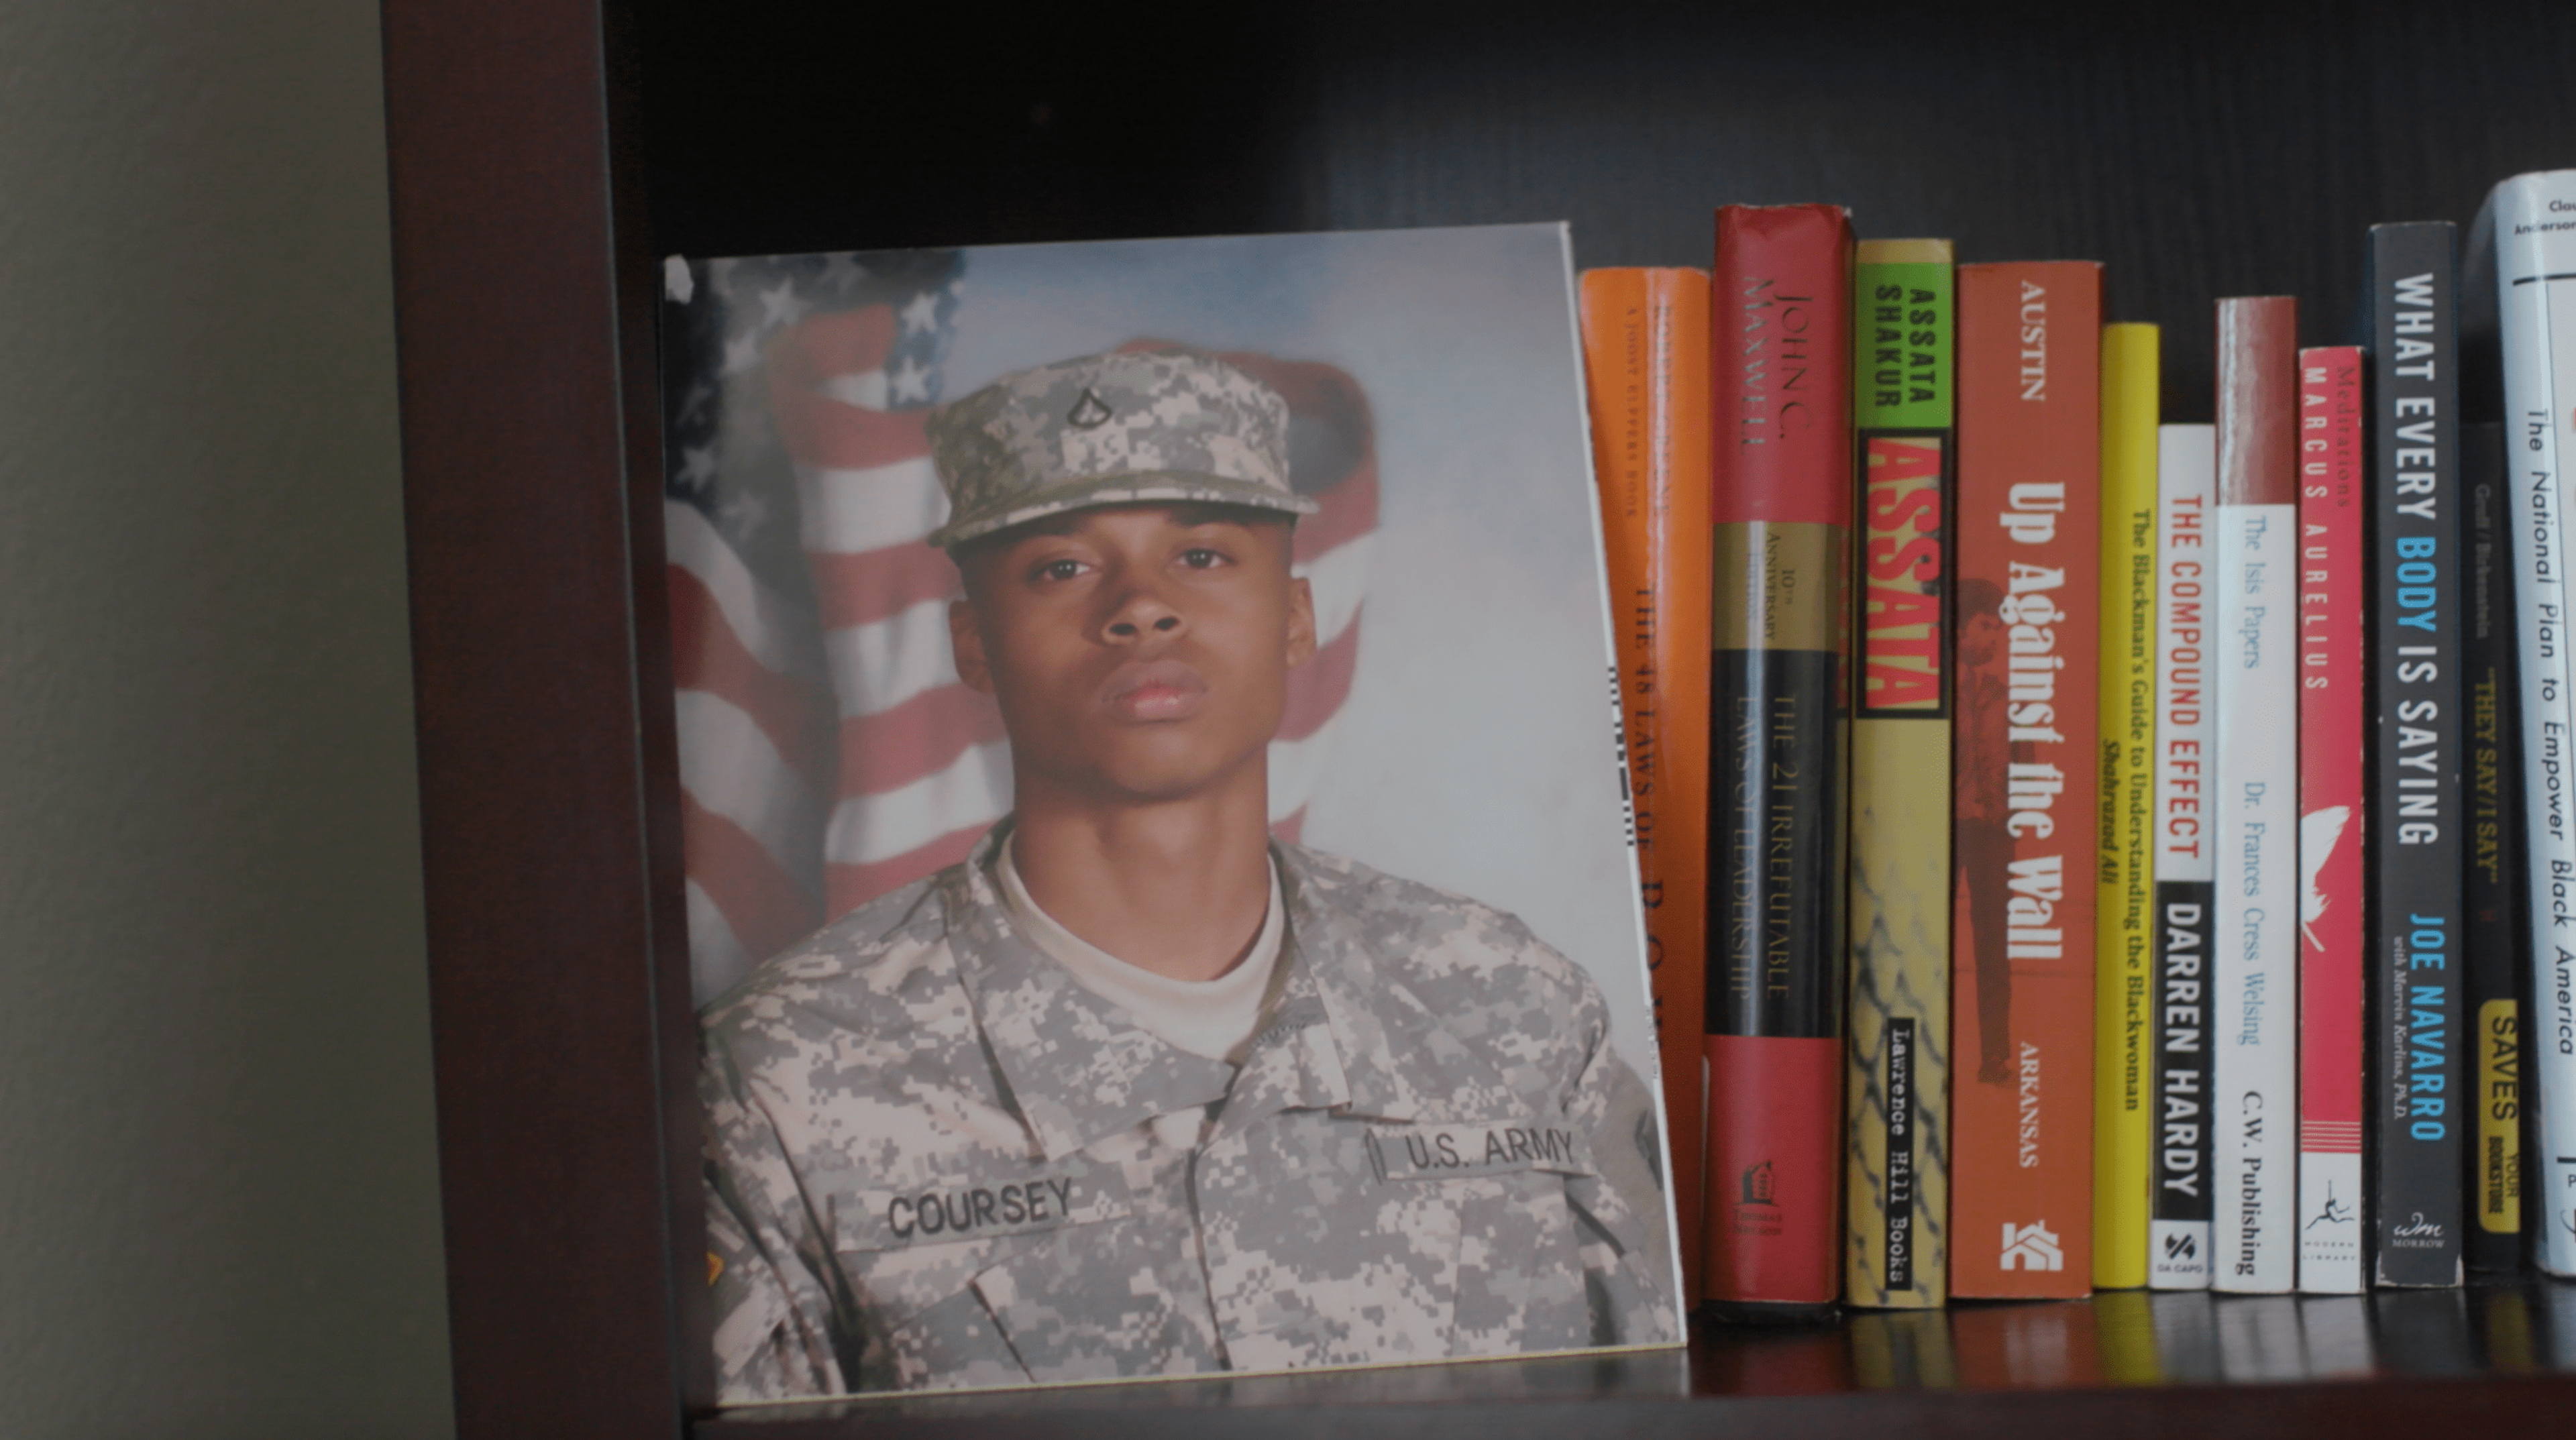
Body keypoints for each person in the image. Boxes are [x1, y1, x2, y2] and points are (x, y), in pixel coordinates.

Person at [697, 347, 1677, 1400]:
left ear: (1295, 616)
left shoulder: (1515, 1008)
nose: (1141, 608)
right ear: (972, 644)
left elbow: (1671, 1407)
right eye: (1062, 567)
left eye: (1202, 555)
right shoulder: (785, 1082)